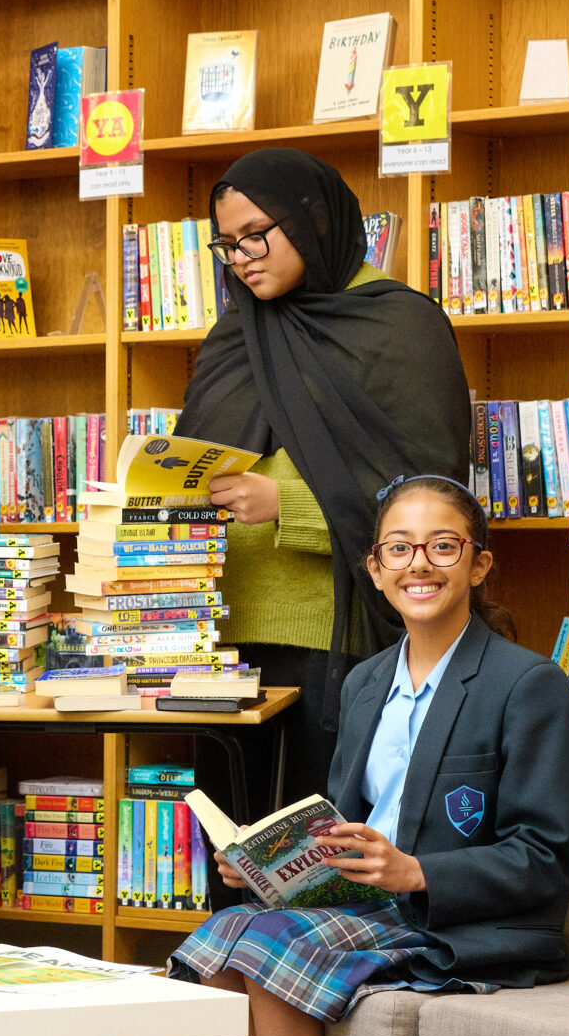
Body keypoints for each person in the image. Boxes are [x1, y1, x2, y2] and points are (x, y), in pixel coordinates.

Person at [155, 473, 569, 1036]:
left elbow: (545, 856)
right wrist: (270, 860)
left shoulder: (527, 685)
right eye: (400, 548)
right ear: (376, 568)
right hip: (358, 906)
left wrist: (415, 869)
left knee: (260, 947)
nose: (419, 563)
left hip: (454, 919)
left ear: (480, 564)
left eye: (443, 545)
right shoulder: (364, 683)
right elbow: (342, 819)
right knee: (222, 943)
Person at [173, 148, 470, 817]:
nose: (242, 256)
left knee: (321, 850)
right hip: (215, 643)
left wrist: (288, 505)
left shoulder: (400, 326)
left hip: (336, 645)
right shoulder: (234, 331)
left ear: (311, 220)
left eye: (256, 234)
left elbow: (433, 498)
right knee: (229, 854)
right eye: (227, 243)